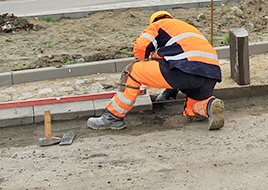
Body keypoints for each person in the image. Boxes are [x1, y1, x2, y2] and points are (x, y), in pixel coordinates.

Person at [87, 11, 224, 131]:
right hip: (210, 75)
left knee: (133, 71)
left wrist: (145, 60)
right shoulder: (186, 30)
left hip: (185, 71)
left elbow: (141, 48)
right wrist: (169, 91)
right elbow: (175, 61)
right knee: (191, 108)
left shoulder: (157, 26)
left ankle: (112, 117)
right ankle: (208, 106)